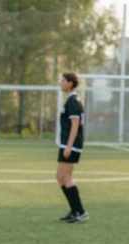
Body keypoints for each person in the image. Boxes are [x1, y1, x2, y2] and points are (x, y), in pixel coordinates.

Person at [56, 72, 89, 223]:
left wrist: (69, 146)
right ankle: (74, 210)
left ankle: (81, 212)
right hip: (65, 144)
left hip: (72, 145)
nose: (60, 83)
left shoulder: (73, 101)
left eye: (63, 80)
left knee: (66, 177)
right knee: (60, 177)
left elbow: (75, 126)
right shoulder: (70, 100)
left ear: (70, 83)